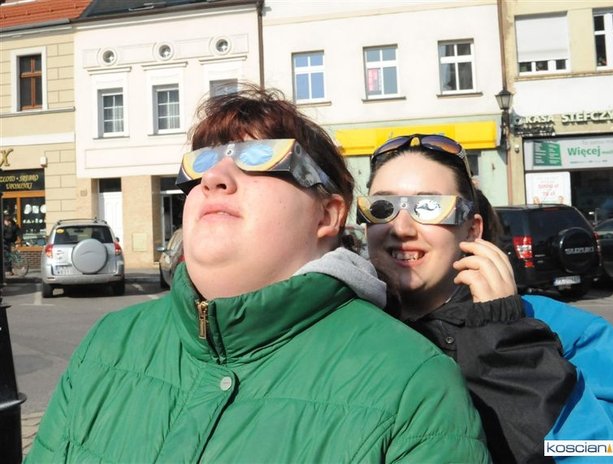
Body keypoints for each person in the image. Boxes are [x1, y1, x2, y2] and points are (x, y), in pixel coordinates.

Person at [26, 89, 489, 463]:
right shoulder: (108, 342)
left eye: (260, 158)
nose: (215, 178)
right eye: (202, 163)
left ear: (327, 214)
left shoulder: (414, 384)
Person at [358, 133, 613, 463]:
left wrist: (512, 354)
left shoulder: (570, 334)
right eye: (382, 207)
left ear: (472, 229)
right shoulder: (344, 329)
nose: (401, 228)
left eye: (429, 207)